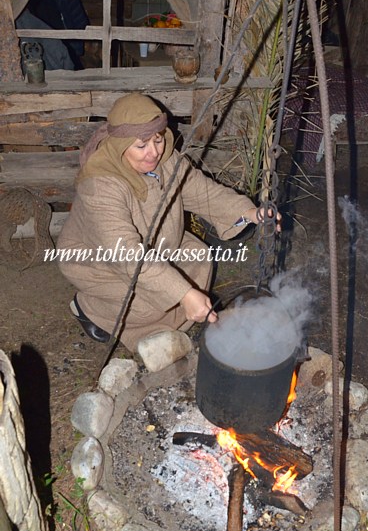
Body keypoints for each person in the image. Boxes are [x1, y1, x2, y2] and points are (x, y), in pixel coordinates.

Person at [57, 92, 274, 353]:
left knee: (200, 259)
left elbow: (202, 191)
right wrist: (183, 294)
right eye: (142, 146)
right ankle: (90, 309)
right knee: (150, 301)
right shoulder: (100, 186)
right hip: (100, 260)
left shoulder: (166, 161)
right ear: (120, 145)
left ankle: (165, 327)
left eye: (158, 140)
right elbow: (126, 254)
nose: (153, 153)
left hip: (156, 242)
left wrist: (250, 212)